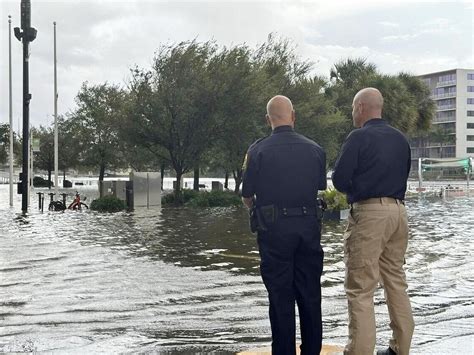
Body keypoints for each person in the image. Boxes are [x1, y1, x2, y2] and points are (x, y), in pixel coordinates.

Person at [241, 95, 327, 355]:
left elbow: (247, 195)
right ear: (294, 115)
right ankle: (312, 350)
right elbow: (320, 188)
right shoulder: (315, 149)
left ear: (268, 119)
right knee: (310, 291)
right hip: (308, 226)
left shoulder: (258, 150)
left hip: (274, 229)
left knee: (280, 295)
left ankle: (284, 351)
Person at [332, 88, 414, 355]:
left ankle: (360, 351)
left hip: (369, 214)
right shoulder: (401, 139)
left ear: (361, 107)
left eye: (353, 108)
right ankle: (400, 349)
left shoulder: (358, 137)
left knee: (360, 288)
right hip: (399, 213)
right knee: (395, 281)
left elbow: (340, 180)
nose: (353, 113)